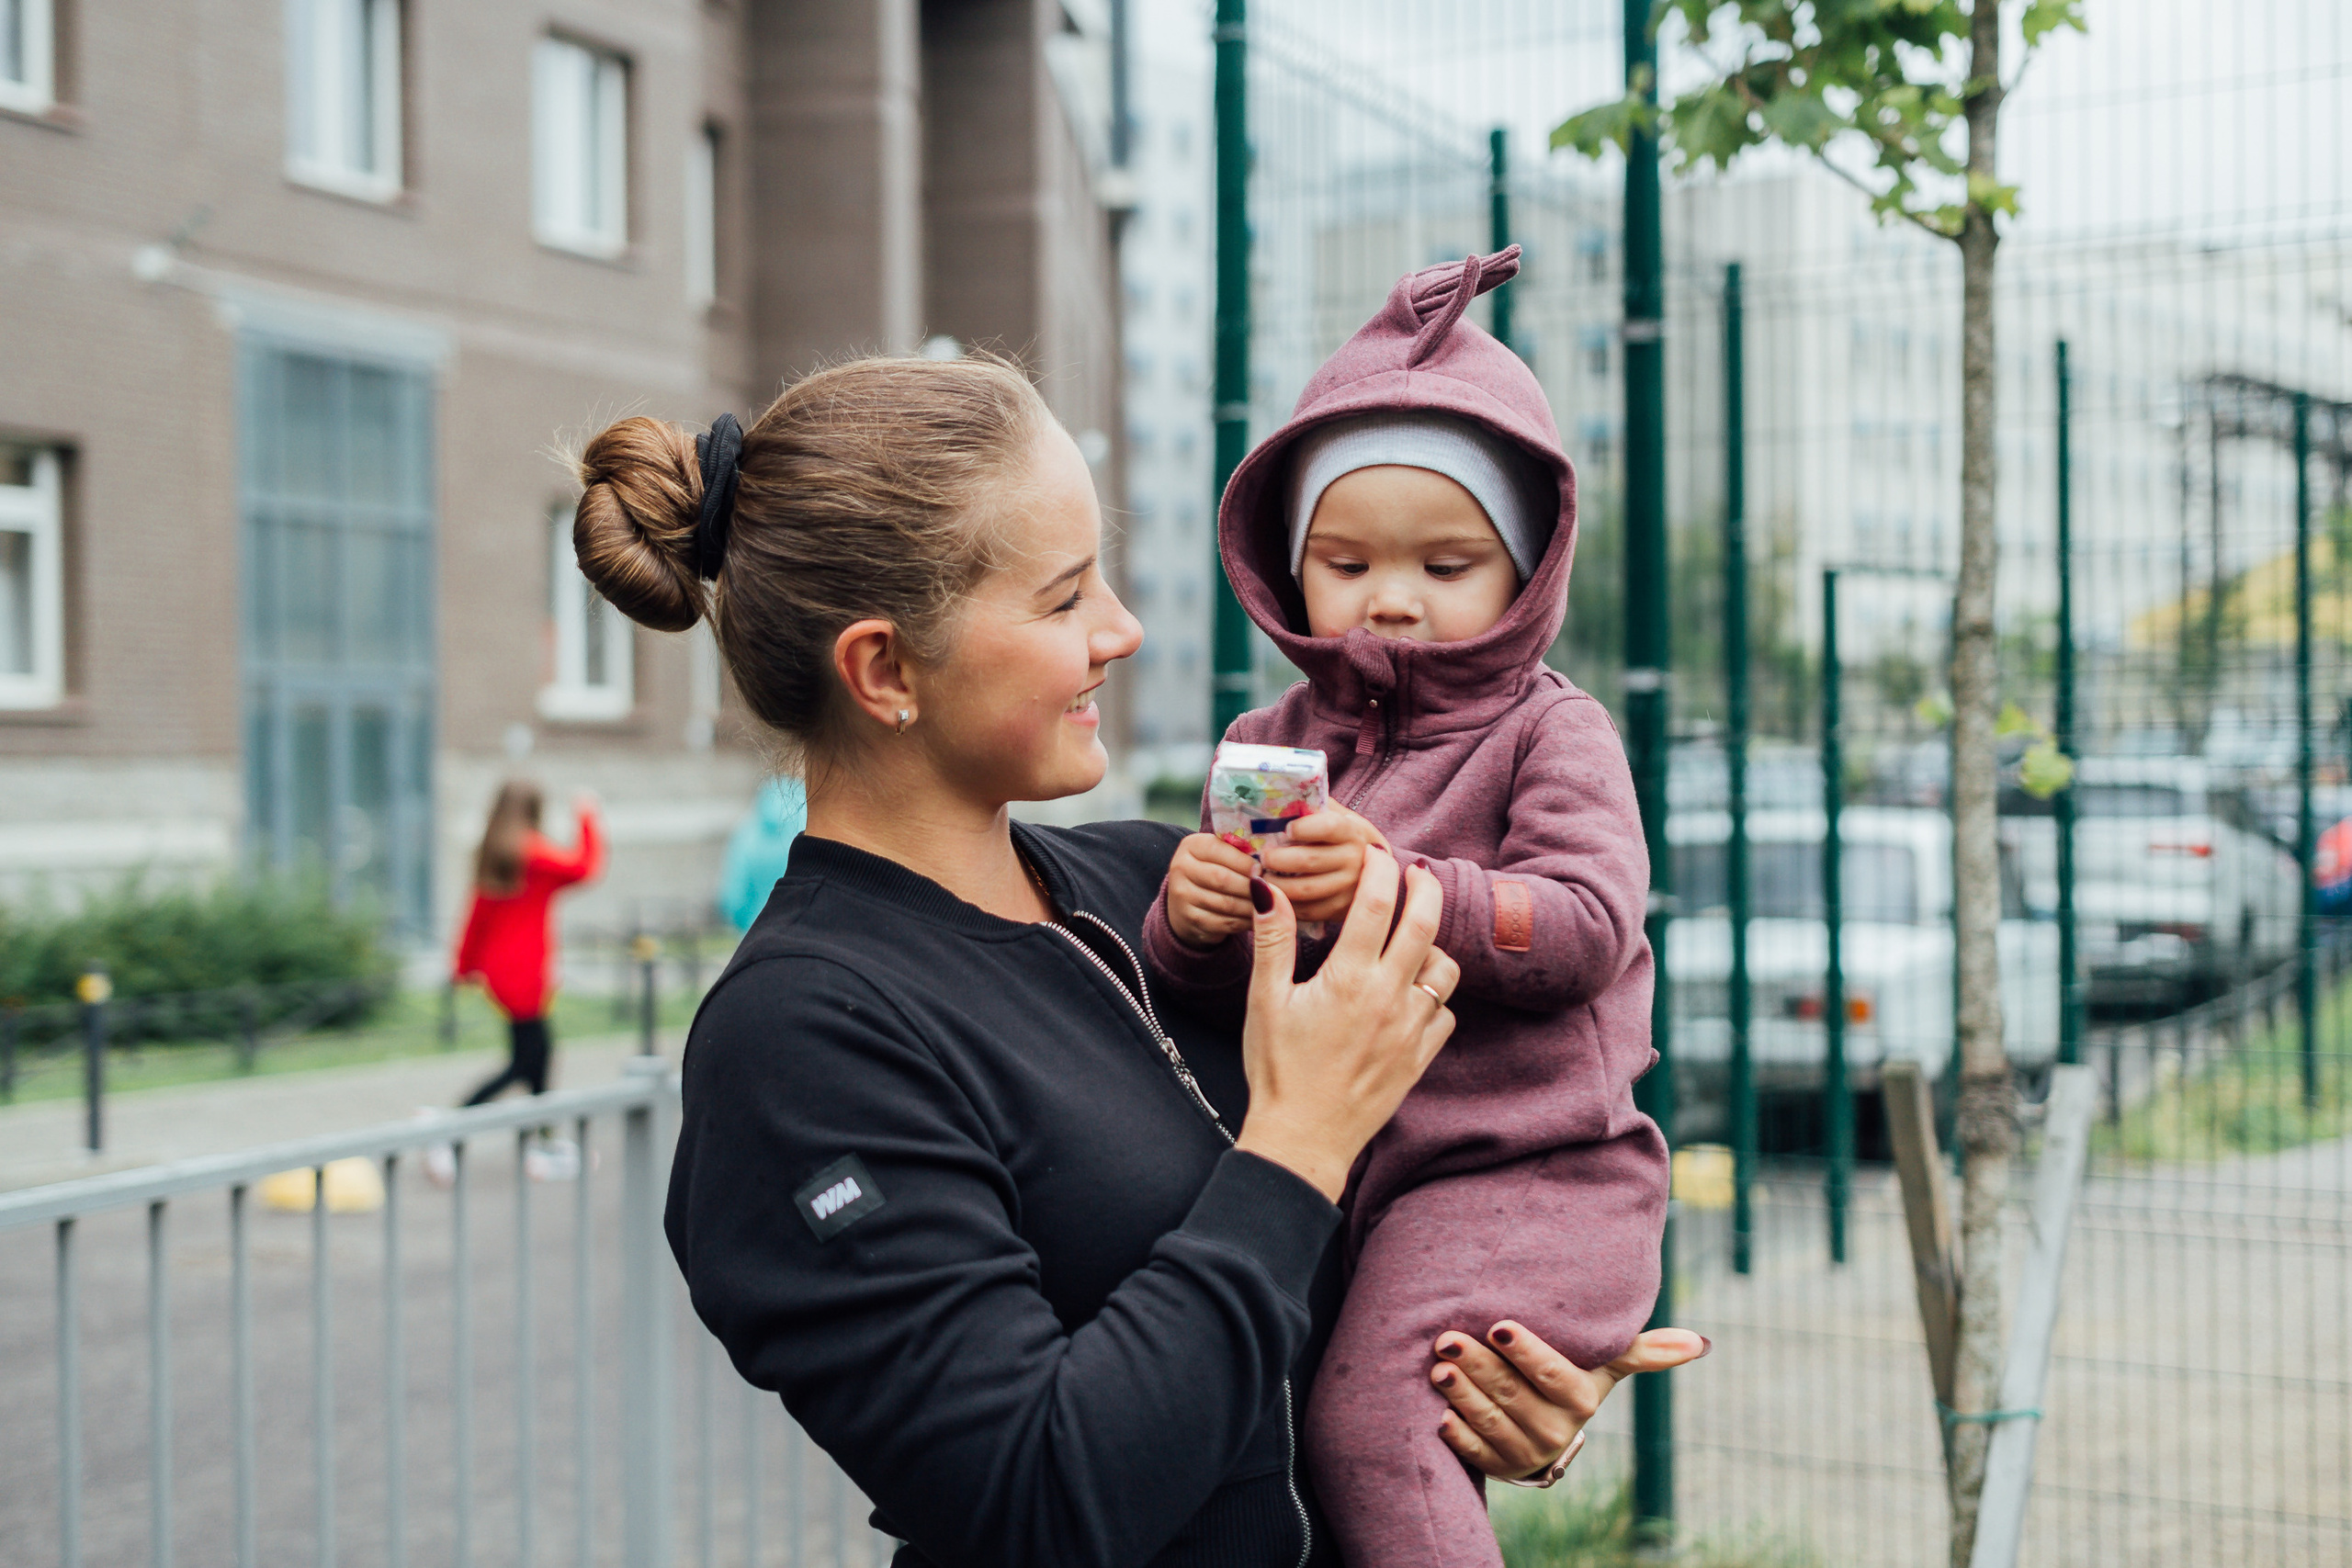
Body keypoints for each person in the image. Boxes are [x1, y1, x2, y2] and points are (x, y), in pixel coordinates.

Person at [570, 353, 1704, 1567]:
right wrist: (1300, 1141)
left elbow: (1351, 1300)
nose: (1124, 629)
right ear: (886, 669)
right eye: (1065, 599)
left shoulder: (1159, 888)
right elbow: (1038, 1498)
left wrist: (1492, 1387)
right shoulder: (801, 1042)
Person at [1144, 248, 1668, 1568]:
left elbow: (1587, 926)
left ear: (1525, 571)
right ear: (1288, 564)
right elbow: (1218, 993)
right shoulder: (1267, 743)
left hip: (1524, 1170)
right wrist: (1192, 924)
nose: (1389, 596)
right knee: (1326, 1430)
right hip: (1355, 1178)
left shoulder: (1550, 730)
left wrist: (1397, 887)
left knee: (1375, 1428)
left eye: (1447, 562)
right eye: (1345, 559)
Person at [450, 780, 605, 1107]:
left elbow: (476, 918)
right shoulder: (533, 853)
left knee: (535, 1058)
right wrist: (587, 815)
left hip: (499, 972)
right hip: (525, 972)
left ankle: (538, 1131)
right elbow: (583, 868)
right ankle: (458, 1118)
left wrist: (463, 967)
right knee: (528, 1061)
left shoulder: (493, 854)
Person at [718, 774, 807, 931]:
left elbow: (733, 900)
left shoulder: (746, 834)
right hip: (803, 932)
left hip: (757, 931)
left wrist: (748, 924)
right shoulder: (809, 829)